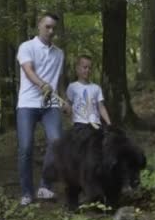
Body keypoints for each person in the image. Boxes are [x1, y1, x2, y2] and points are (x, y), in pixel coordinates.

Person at [16, 13, 65, 206]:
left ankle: (45, 187)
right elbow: (28, 71)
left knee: (57, 142)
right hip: (27, 104)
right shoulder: (26, 47)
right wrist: (43, 85)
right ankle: (27, 192)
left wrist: (65, 101)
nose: (51, 31)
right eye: (47, 27)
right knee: (26, 147)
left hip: (50, 105)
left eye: (54, 28)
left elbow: (59, 80)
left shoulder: (59, 53)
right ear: (39, 26)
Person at [65, 55, 112, 127]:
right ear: (77, 69)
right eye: (85, 67)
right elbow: (68, 104)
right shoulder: (72, 87)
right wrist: (69, 118)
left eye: (89, 68)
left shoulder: (96, 88)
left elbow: (101, 107)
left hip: (95, 124)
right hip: (79, 123)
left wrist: (109, 123)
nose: (87, 70)